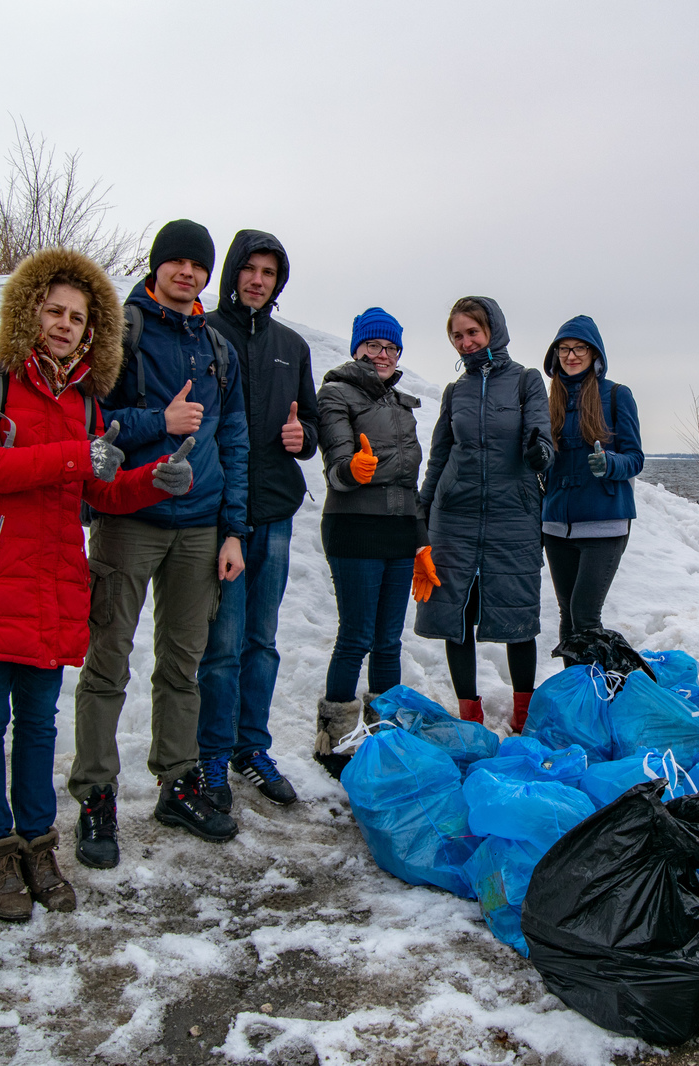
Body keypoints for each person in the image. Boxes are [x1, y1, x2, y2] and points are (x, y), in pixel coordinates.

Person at [0, 247, 191, 921]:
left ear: (91, 331)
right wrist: (79, 455)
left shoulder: (83, 405)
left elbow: (99, 490)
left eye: (78, 317)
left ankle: (39, 845)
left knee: (41, 726)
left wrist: (149, 481)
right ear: (29, 312)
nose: (64, 325)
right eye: (53, 310)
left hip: (50, 585)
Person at [68, 219, 250, 868]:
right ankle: (96, 795)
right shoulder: (121, 331)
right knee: (107, 661)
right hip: (130, 520)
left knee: (183, 666)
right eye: (176, 262)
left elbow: (231, 441)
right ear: (157, 267)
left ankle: (177, 784)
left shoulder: (214, 346)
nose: (188, 273)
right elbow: (90, 426)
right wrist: (159, 422)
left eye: (197, 266)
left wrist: (233, 530)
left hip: (200, 531)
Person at [195, 230, 318, 811]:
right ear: (234, 273)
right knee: (220, 642)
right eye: (251, 269)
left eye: (269, 272)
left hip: (274, 512)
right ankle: (213, 753)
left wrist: (303, 437)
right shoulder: (205, 332)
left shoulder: (291, 346)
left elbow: (312, 428)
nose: (258, 280)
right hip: (218, 512)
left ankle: (251, 746)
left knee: (261, 640)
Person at [415, 297, 553, 730]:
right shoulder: (455, 392)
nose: (465, 342)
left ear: (492, 329)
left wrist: (538, 451)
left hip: (513, 516)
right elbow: (440, 456)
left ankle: (523, 717)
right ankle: (469, 716)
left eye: (472, 332)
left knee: (517, 616)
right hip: (454, 517)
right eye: (457, 335)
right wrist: (421, 514)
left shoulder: (526, 381)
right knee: (456, 615)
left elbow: (544, 444)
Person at [312, 308, 424, 775]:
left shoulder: (401, 404)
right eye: (374, 345)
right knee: (356, 637)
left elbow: (410, 482)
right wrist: (348, 472)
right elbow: (337, 461)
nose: (382, 354)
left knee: (389, 641)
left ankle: (383, 735)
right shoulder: (335, 393)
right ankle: (334, 739)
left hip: (399, 532)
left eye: (390, 347)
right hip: (355, 527)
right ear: (357, 348)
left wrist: (421, 541)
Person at [540, 315, 644, 690]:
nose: (571, 355)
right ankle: (574, 695)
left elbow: (635, 457)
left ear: (594, 353)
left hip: (604, 523)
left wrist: (609, 464)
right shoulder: (547, 398)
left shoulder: (616, 394)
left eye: (579, 348)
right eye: (564, 349)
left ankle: (597, 696)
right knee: (568, 617)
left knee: (585, 616)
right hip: (555, 525)